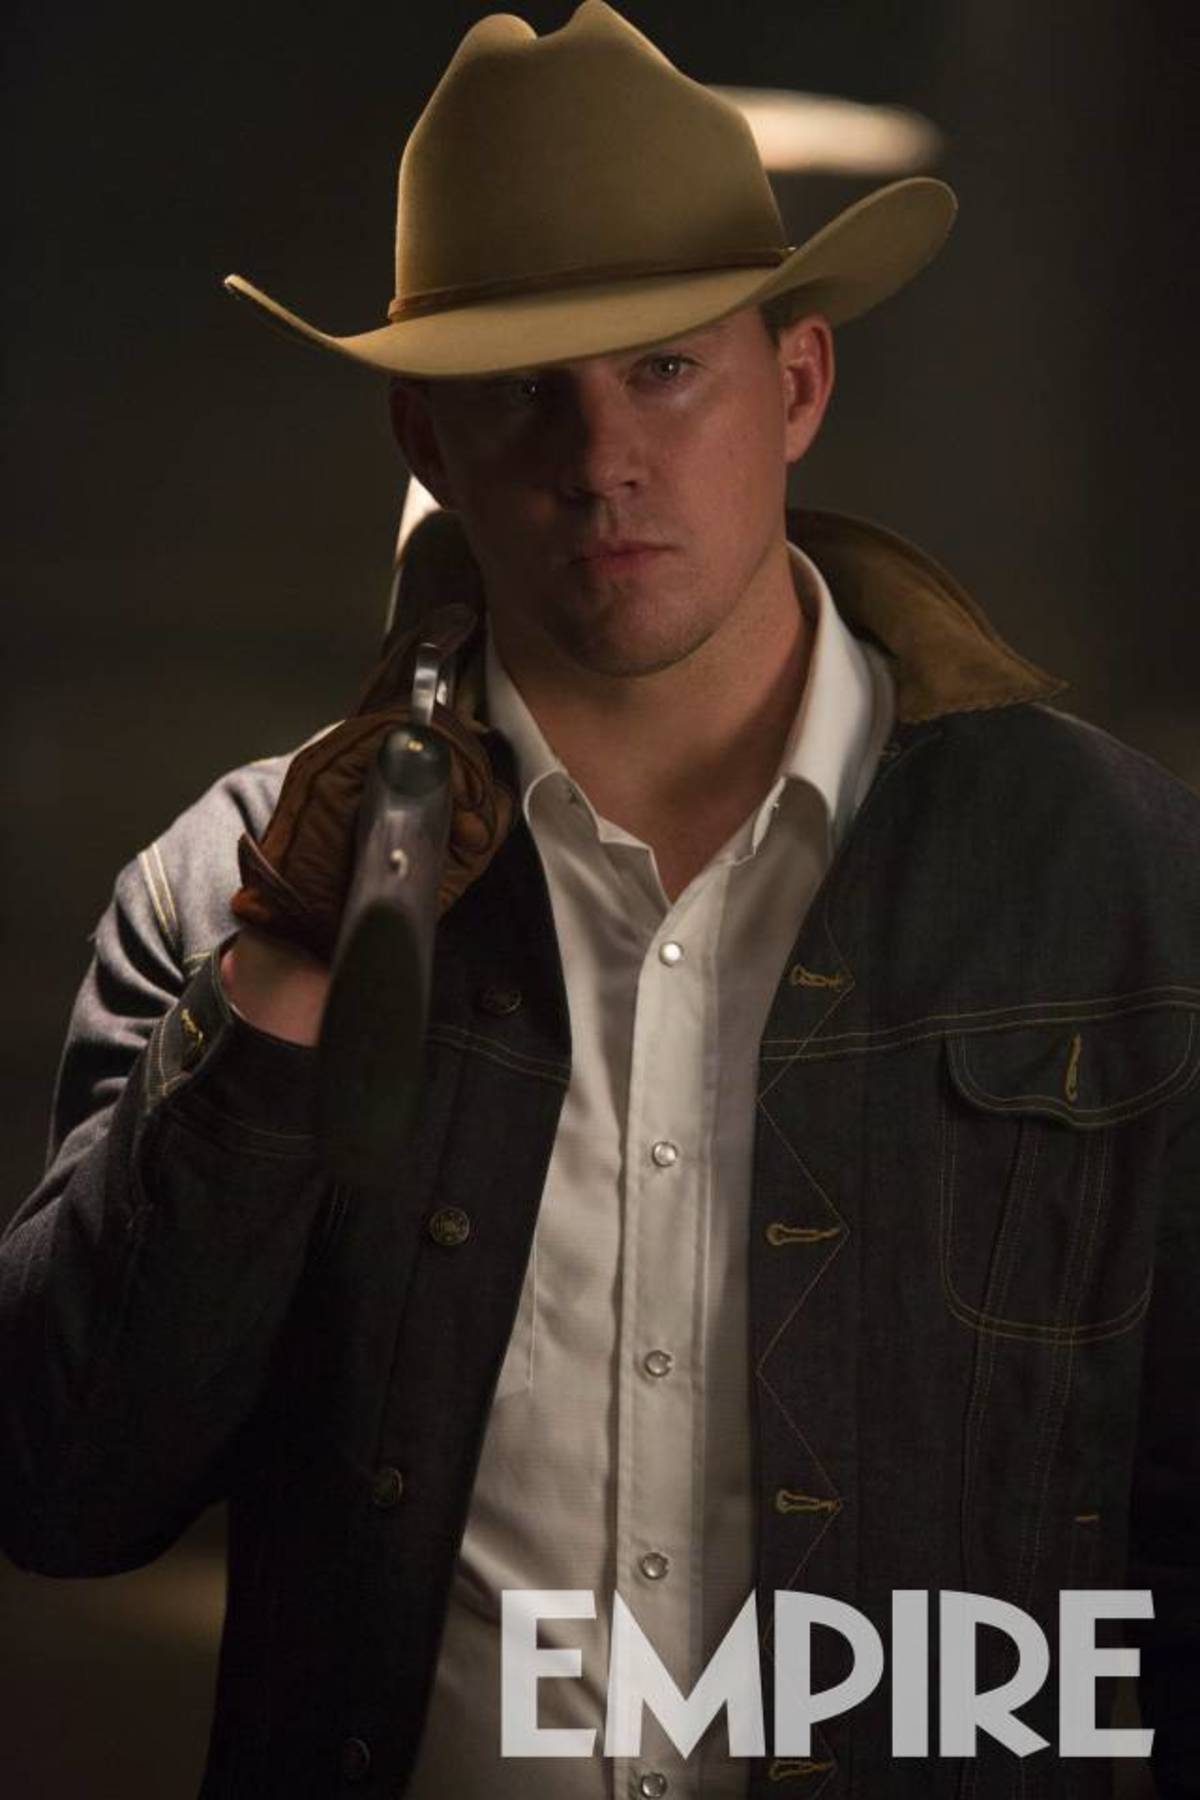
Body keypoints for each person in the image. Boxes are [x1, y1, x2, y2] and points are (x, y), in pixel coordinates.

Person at [1, 4, 1197, 1797]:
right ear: (428, 440)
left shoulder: (1115, 883)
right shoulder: (226, 892)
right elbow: (66, 1489)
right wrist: (284, 996)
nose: (599, 456)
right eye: (520, 389)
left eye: (666, 368)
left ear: (797, 385)